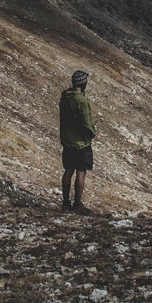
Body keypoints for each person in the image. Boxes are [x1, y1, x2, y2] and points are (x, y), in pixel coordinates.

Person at [59, 69, 96, 213]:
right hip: (81, 143)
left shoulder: (65, 97)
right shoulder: (81, 100)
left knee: (68, 170)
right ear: (83, 83)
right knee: (81, 172)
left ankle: (65, 203)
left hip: (67, 141)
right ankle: (77, 204)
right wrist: (92, 133)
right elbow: (87, 123)